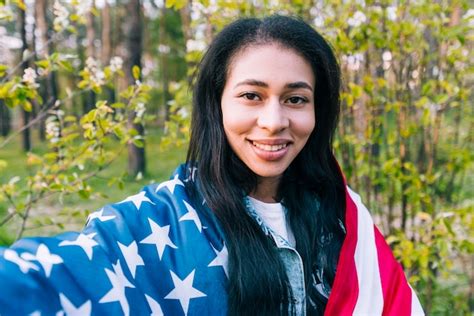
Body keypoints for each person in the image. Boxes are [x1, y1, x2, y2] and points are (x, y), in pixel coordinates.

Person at [0, 15, 424, 315]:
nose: (274, 122)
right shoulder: (158, 223)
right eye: (251, 96)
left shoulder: (345, 218)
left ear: (319, 111)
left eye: (295, 99)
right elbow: (49, 277)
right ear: (216, 104)